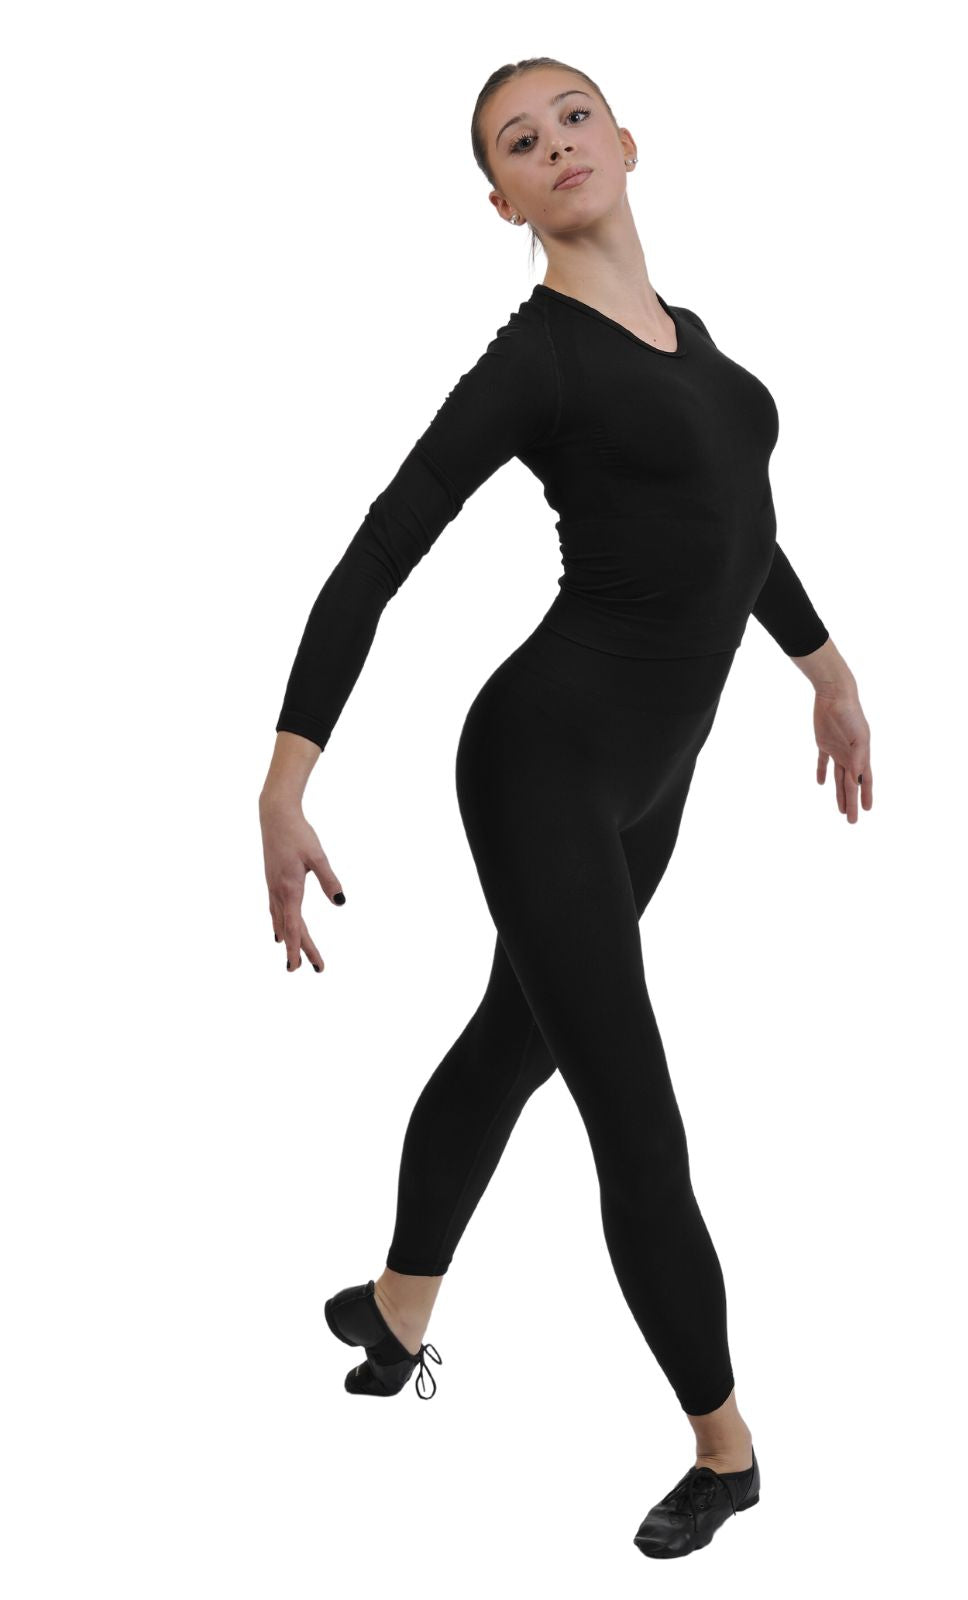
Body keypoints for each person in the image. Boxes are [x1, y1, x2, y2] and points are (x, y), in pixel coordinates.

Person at [259, 56, 873, 1559]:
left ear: (627, 142)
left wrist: (825, 668)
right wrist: (286, 774)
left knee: (509, 1041)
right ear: (505, 203)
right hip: (542, 762)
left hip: (650, 784)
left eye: (572, 118)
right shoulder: (536, 360)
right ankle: (727, 1450)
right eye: (519, 143)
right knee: (633, 1112)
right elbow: (376, 553)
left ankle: (397, 1309)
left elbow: (738, 527)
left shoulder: (699, 348)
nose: (555, 146)